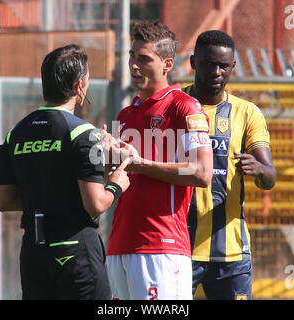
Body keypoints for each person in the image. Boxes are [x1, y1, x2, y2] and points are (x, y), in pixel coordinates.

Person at [0, 44, 130, 300]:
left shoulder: (15, 134)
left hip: (34, 254)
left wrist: (48, 195)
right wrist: (116, 182)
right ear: (80, 85)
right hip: (75, 252)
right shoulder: (84, 134)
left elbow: (4, 201)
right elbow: (96, 204)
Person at [104, 20, 213, 300]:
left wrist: (141, 163)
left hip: (161, 246)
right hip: (119, 246)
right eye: (132, 56)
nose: (134, 65)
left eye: (144, 59)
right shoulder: (125, 114)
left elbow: (202, 173)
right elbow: (115, 182)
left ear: (167, 64)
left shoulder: (185, 106)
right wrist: (104, 158)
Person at [183, 30, 276, 300]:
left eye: (223, 65)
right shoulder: (174, 106)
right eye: (208, 64)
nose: (216, 71)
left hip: (231, 254)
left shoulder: (246, 113)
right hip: (179, 248)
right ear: (193, 62)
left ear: (232, 67)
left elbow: (270, 176)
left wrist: (260, 171)